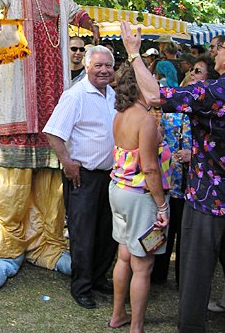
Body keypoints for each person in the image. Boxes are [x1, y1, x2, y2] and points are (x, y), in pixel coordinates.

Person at [0, 0, 100, 290]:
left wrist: (87, 22)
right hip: (18, 94)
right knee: (10, 180)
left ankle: (47, 245)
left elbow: (75, 12)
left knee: (50, 175)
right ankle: (4, 249)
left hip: (52, 95)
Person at [121, 23, 225, 333]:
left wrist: (133, 53)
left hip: (209, 199)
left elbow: (154, 95)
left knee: (195, 272)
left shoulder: (215, 91)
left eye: (220, 48)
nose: (215, 52)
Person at [43, 46, 118, 309]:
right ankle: (82, 287)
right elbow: (53, 133)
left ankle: (97, 278)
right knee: (83, 233)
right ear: (87, 67)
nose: (104, 70)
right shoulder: (75, 95)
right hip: (82, 175)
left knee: (107, 232)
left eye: (108, 65)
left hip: (110, 175)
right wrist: (67, 162)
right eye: (98, 65)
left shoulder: (112, 95)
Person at [108, 63, 170, 331]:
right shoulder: (144, 119)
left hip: (118, 191)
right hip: (139, 197)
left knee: (124, 256)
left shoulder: (122, 114)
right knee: (143, 266)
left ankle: (117, 315)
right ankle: (136, 326)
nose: (154, 82)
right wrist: (162, 205)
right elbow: (150, 168)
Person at [152, 54, 219, 287]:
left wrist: (192, 154)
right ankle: (158, 275)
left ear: (209, 79)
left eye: (198, 71)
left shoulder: (209, 106)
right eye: (191, 70)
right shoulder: (177, 101)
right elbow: (161, 129)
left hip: (195, 184)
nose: (192, 74)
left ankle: (183, 281)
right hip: (169, 178)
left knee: (186, 236)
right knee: (165, 228)